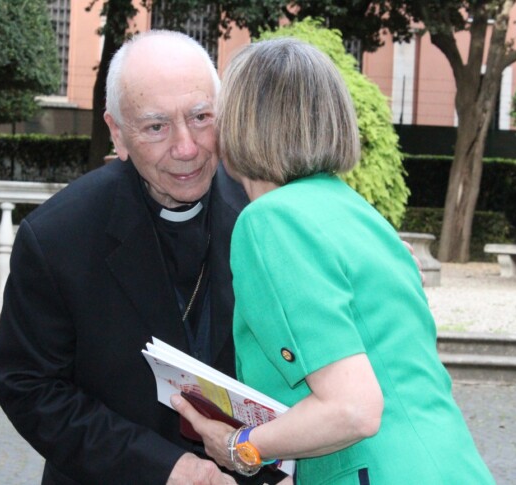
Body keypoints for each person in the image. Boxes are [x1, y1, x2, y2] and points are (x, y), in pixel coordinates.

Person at [172, 38, 496, 484]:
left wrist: (239, 446)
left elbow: (352, 410)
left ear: (240, 123)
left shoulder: (271, 220)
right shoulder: (359, 212)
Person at [0, 30, 286, 485]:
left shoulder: (269, 213)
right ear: (117, 133)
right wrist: (166, 468)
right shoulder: (56, 238)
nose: (186, 148)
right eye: (156, 126)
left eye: (201, 117)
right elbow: (30, 388)